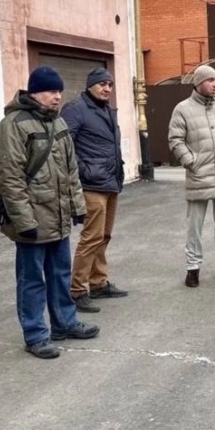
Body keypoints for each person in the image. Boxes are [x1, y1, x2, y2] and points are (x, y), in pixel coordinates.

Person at [0, 66, 99, 359]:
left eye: (59, 91)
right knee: (31, 280)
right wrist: (23, 220)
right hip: (32, 218)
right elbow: (10, 177)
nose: (57, 96)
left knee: (61, 273)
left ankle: (65, 323)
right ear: (35, 92)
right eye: (52, 91)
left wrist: (77, 206)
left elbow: (71, 170)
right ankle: (35, 334)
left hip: (58, 214)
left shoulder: (58, 122)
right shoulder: (13, 125)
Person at [168, 64, 215, 287]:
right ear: (198, 83)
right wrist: (191, 162)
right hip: (199, 175)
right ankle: (193, 268)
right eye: (211, 80)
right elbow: (175, 140)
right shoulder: (183, 109)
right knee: (195, 226)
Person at [61, 67, 128, 313]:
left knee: (104, 235)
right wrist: (84, 171)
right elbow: (64, 147)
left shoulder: (107, 110)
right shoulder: (75, 109)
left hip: (110, 182)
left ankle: (98, 282)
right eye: (102, 84)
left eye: (110, 85)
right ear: (90, 85)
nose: (107, 89)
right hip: (91, 185)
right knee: (91, 238)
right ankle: (77, 290)